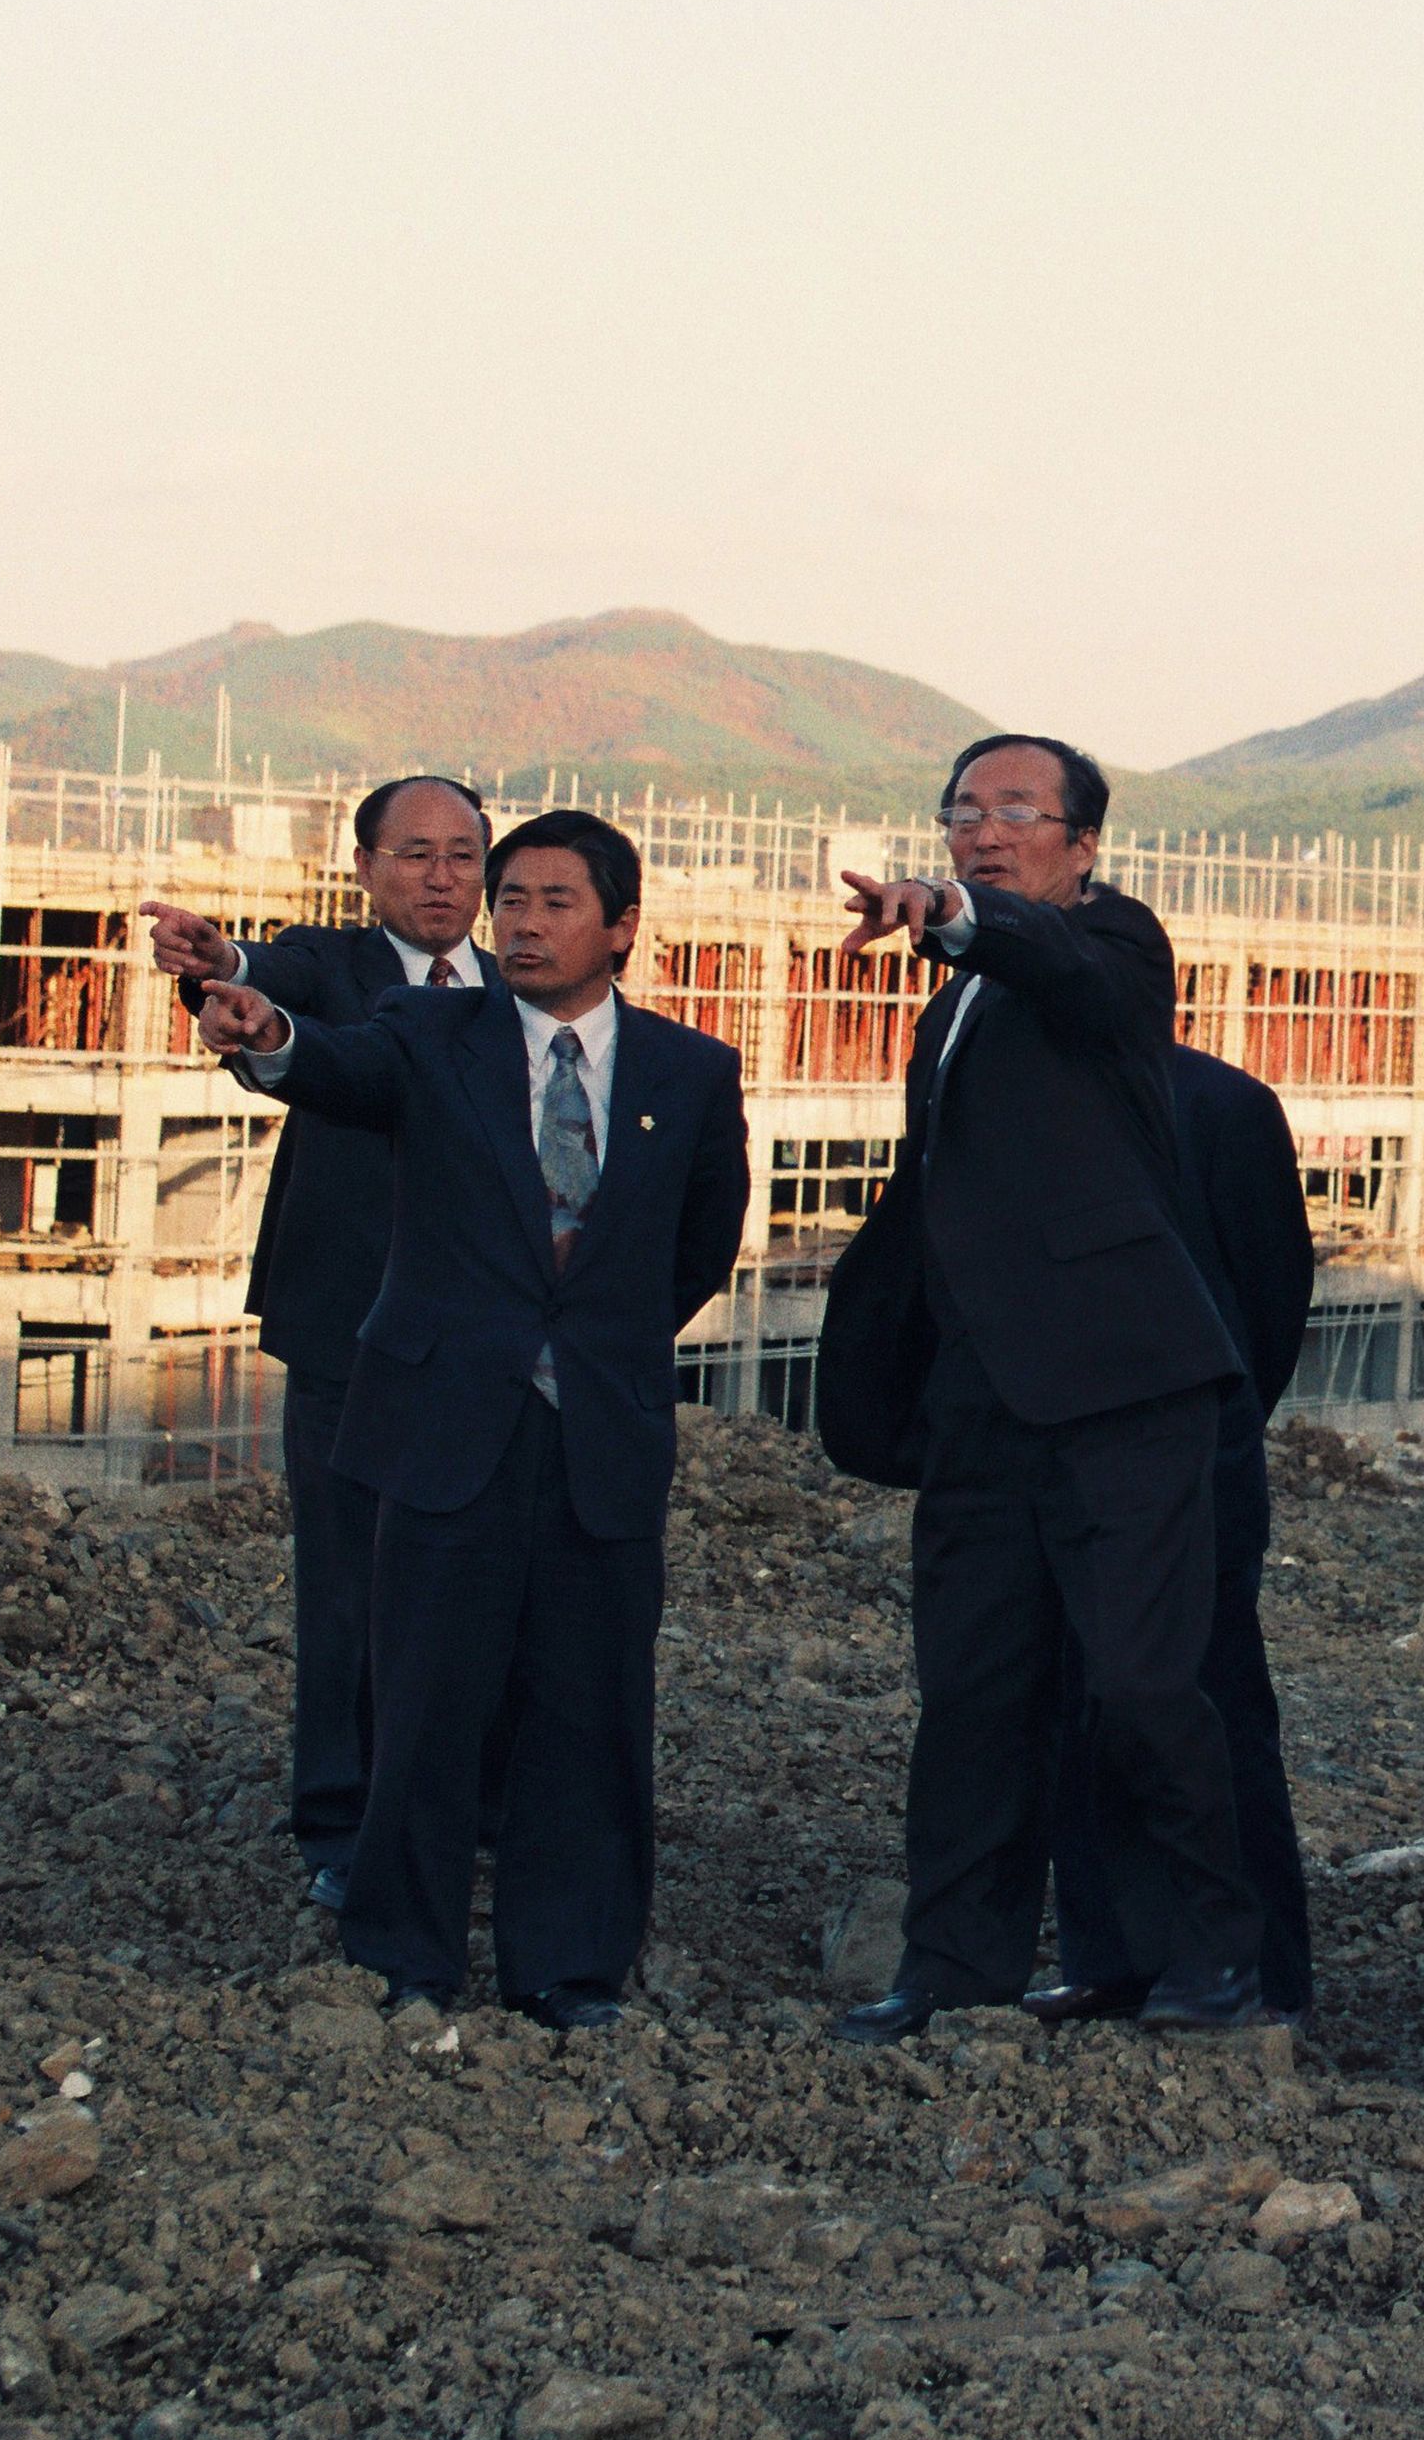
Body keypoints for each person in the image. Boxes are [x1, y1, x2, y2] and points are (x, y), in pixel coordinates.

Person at [181, 810, 751, 2029]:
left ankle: (569, 1968)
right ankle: (406, 1956)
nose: (523, 924)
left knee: (587, 1710)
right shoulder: (432, 1033)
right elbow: (334, 1070)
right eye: (512, 901)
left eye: (555, 902)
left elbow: (696, 1246)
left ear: (621, 928)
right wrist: (267, 1035)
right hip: (446, 1428)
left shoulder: (689, 1072)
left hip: (597, 1431)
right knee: (425, 1702)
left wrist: (590, 1341)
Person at [808, 734, 1268, 2041]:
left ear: (1082, 843)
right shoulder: (948, 1009)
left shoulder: (1115, 945)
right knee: (974, 1694)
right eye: (963, 812)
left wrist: (957, 914)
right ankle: (953, 1964)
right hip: (978, 1399)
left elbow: (1057, 965)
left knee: (1141, 1683)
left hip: (1122, 1389)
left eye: (1016, 810)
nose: (984, 830)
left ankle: (1211, 1952)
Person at [143, 776, 495, 1915]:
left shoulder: (519, 990)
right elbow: (262, 982)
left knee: (477, 1581)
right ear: (364, 869)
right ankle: (341, 1823)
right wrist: (218, 966)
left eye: (461, 855)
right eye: (414, 854)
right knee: (348, 1584)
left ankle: (469, 1804)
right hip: (347, 1328)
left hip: (485, 1344)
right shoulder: (333, 968)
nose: (439, 877)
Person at [1032, 1038, 1321, 2024]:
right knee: (1080, 1705)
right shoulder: (1016, 1090)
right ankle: (1115, 1959)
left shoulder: (1225, 1106)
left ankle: (1261, 1972)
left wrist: (1214, 1425)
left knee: (1215, 1702)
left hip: (1198, 1459)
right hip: (1054, 1447)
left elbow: (1271, 1298)